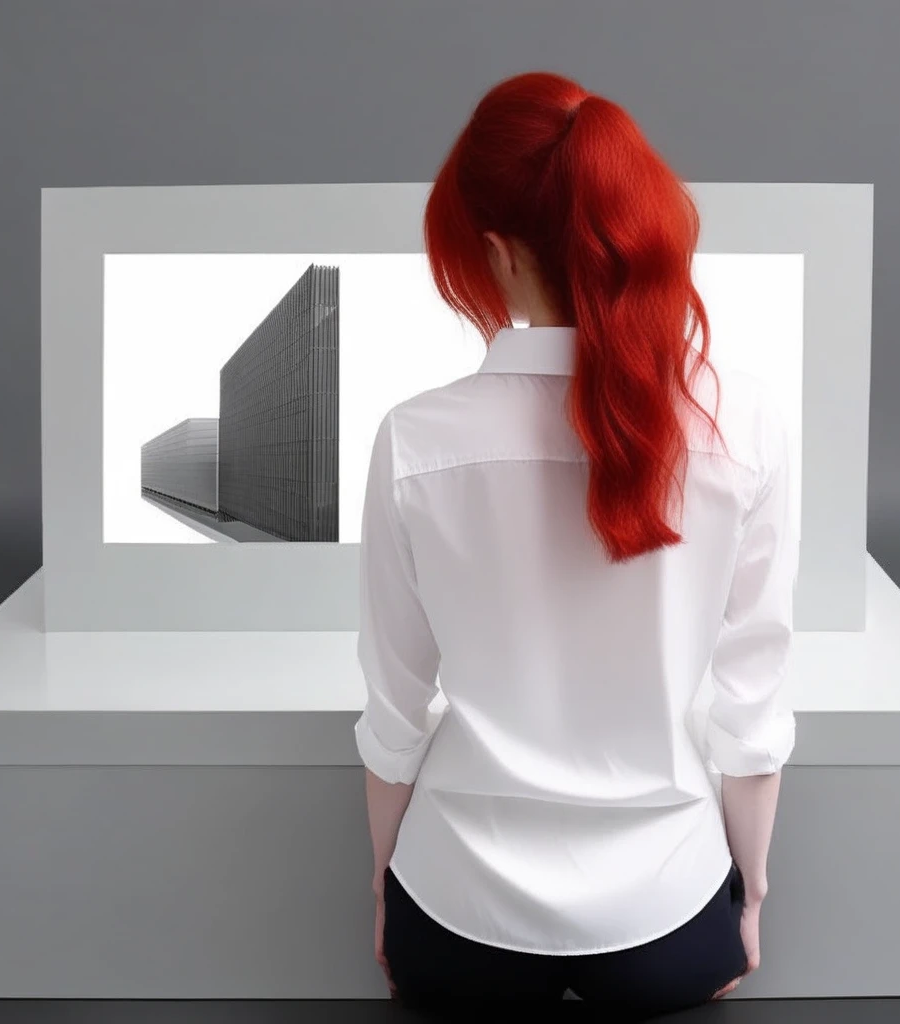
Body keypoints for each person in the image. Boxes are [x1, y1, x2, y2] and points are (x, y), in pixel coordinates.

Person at [354, 70, 797, 1013]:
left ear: (492, 250)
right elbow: (752, 714)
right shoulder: (742, 423)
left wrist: (386, 891)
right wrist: (747, 900)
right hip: (670, 921)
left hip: (456, 918)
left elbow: (394, 716)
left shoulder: (416, 440)